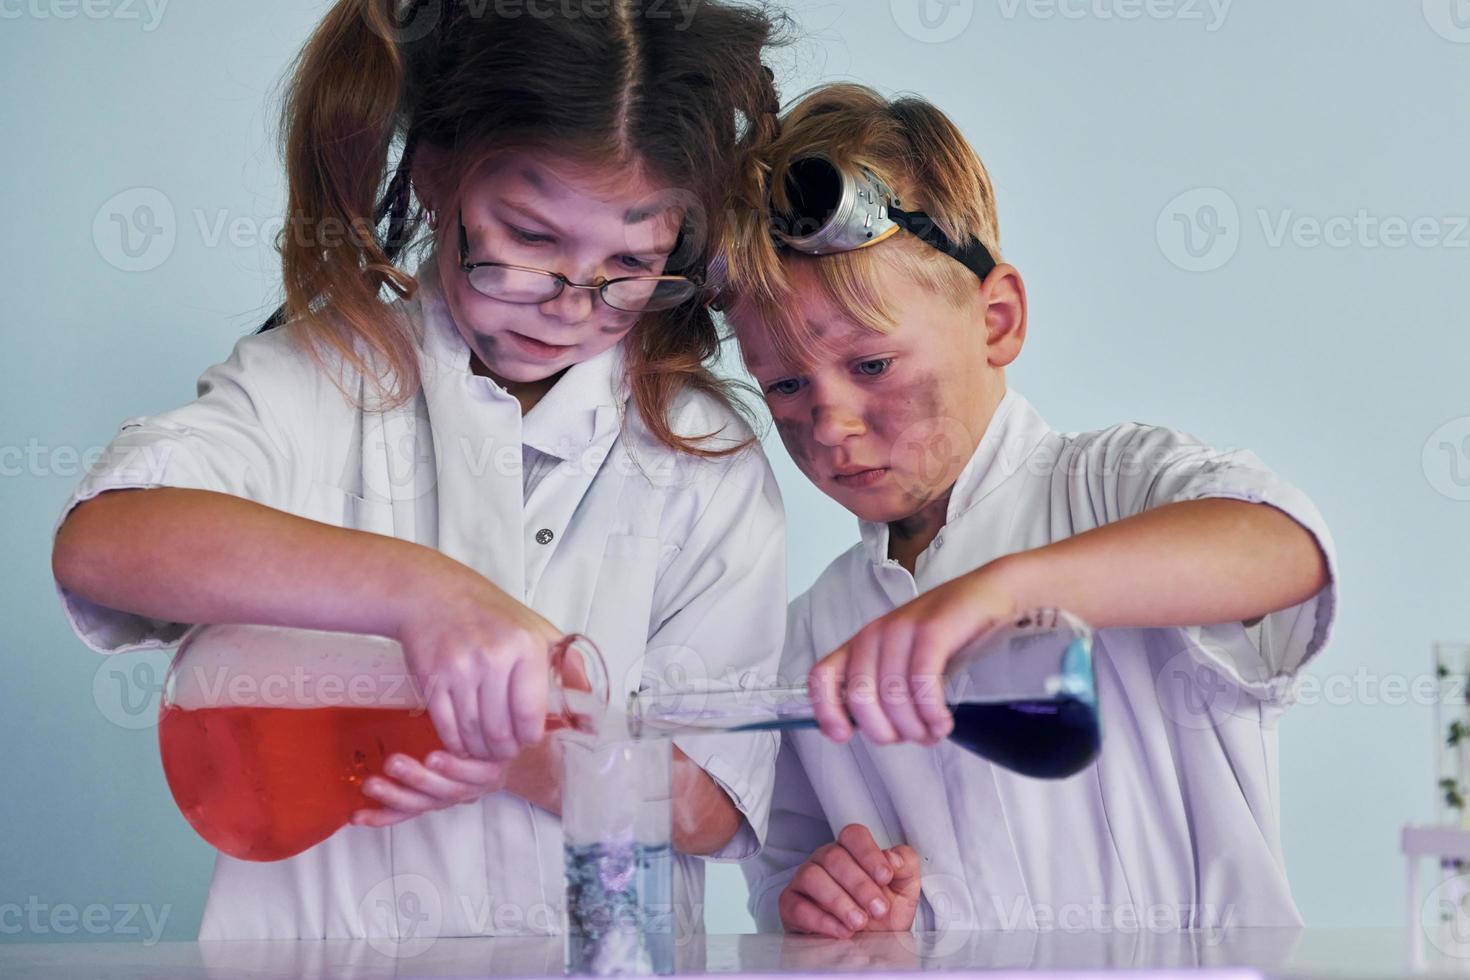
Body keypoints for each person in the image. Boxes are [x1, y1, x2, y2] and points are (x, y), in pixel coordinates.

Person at [51, 0, 789, 941]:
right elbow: (102, 545)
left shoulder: (702, 462)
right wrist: (422, 595)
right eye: (529, 238)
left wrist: (522, 749)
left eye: (630, 263)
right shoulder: (315, 380)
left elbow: (719, 806)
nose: (571, 304)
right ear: (437, 174)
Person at [722, 83, 1337, 937]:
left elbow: (1284, 546)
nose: (828, 422)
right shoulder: (808, 639)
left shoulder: (1114, 488)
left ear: (998, 320)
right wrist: (827, 900)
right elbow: (786, 877)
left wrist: (1007, 593)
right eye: (785, 384)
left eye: (870, 366)